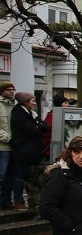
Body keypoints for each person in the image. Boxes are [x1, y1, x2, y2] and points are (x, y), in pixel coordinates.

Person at [10, 92, 48, 209]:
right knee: (20, 176)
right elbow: (33, 130)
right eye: (32, 101)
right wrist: (37, 126)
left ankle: (32, 201)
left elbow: (45, 127)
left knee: (31, 177)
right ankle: (18, 200)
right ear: (25, 102)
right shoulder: (18, 114)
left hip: (33, 152)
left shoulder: (32, 113)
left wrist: (37, 125)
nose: (35, 103)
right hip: (24, 152)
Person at [0, 81, 15, 209]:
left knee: (10, 176)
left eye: (13, 89)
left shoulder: (13, 105)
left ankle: (5, 200)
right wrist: (9, 139)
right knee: (1, 174)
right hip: (2, 146)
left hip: (13, 146)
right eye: (9, 89)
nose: (12, 91)